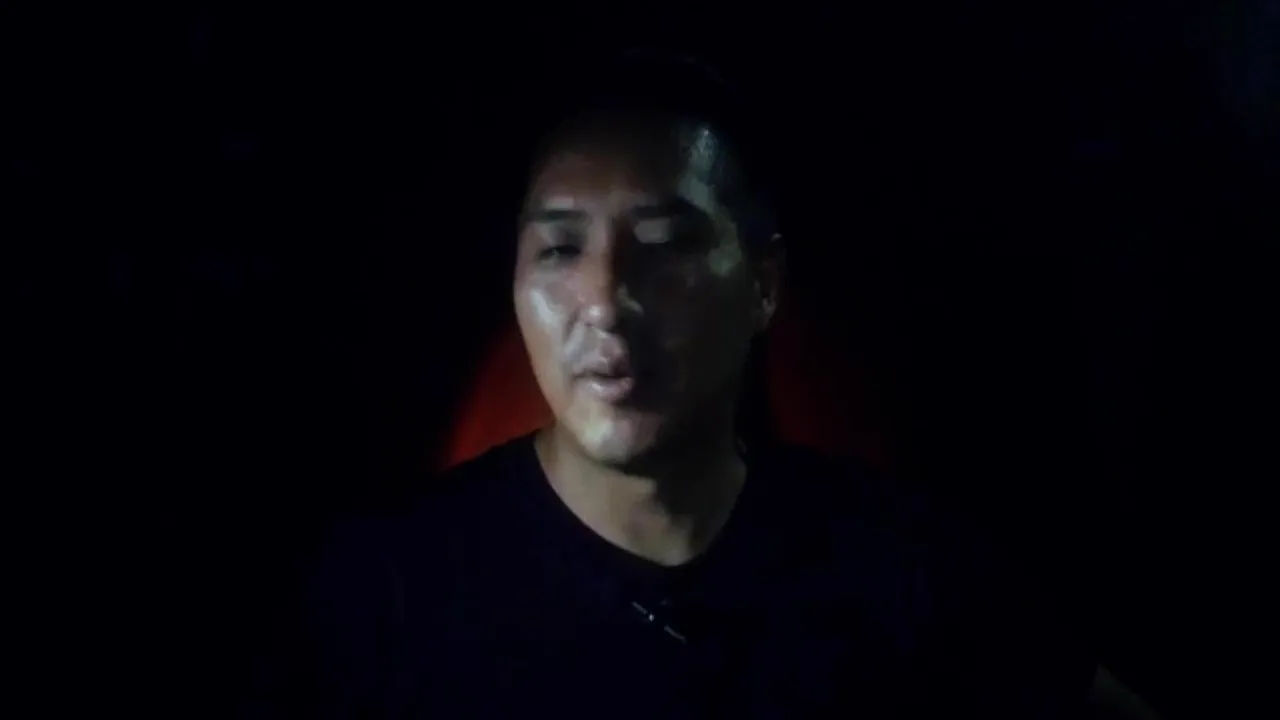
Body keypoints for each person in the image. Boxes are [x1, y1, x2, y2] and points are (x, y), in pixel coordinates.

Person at [248, 52, 1107, 718]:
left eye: (663, 245)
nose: (605, 302)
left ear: (763, 286)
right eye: (560, 248)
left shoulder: (901, 571)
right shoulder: (383, 596)